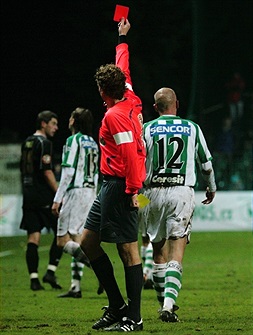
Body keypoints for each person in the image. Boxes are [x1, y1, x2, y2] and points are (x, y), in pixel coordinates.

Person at [80, 18, 146, 332]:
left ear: (102, 90)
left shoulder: (115, 116)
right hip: (109, 185)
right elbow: (124, 65)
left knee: (128, 249)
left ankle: (134, 317)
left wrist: (134, 192)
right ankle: (118, 306)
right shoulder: (129, 96)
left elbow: (132, 155)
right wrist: (122, 38)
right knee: (88, 242)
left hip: (121, 185)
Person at [142, 88, 216, 322]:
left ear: (155, 108)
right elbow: (205, 163)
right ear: (177, 104)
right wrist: (211, 187)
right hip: (181, 191)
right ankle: (168, 304)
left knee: (157, 252)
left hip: (150, 193)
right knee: (177, 252)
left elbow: (136, 162)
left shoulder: (146, 129)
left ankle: (163, 302)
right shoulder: (191, 127)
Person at [51, 107, 99, 298]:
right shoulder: (93, 143)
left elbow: (68, 172)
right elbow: (96, 173)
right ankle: (75, 286)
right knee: (78, 241)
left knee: (63, 242)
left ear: (74, 121)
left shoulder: (74, 140)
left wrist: (57, 199)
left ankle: (100, 270)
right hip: (89, 193)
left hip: (75, 193)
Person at [20, 110, 63, 291]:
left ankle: (34, 279)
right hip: (43, 196)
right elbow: (47, 171)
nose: (56, 128)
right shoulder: (44, 143)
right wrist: (59, 192)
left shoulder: (27, 142)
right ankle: (51, 271)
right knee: (61, 233)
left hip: (28, 195)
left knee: (33, 237)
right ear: (43, 124)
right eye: (53, 123)